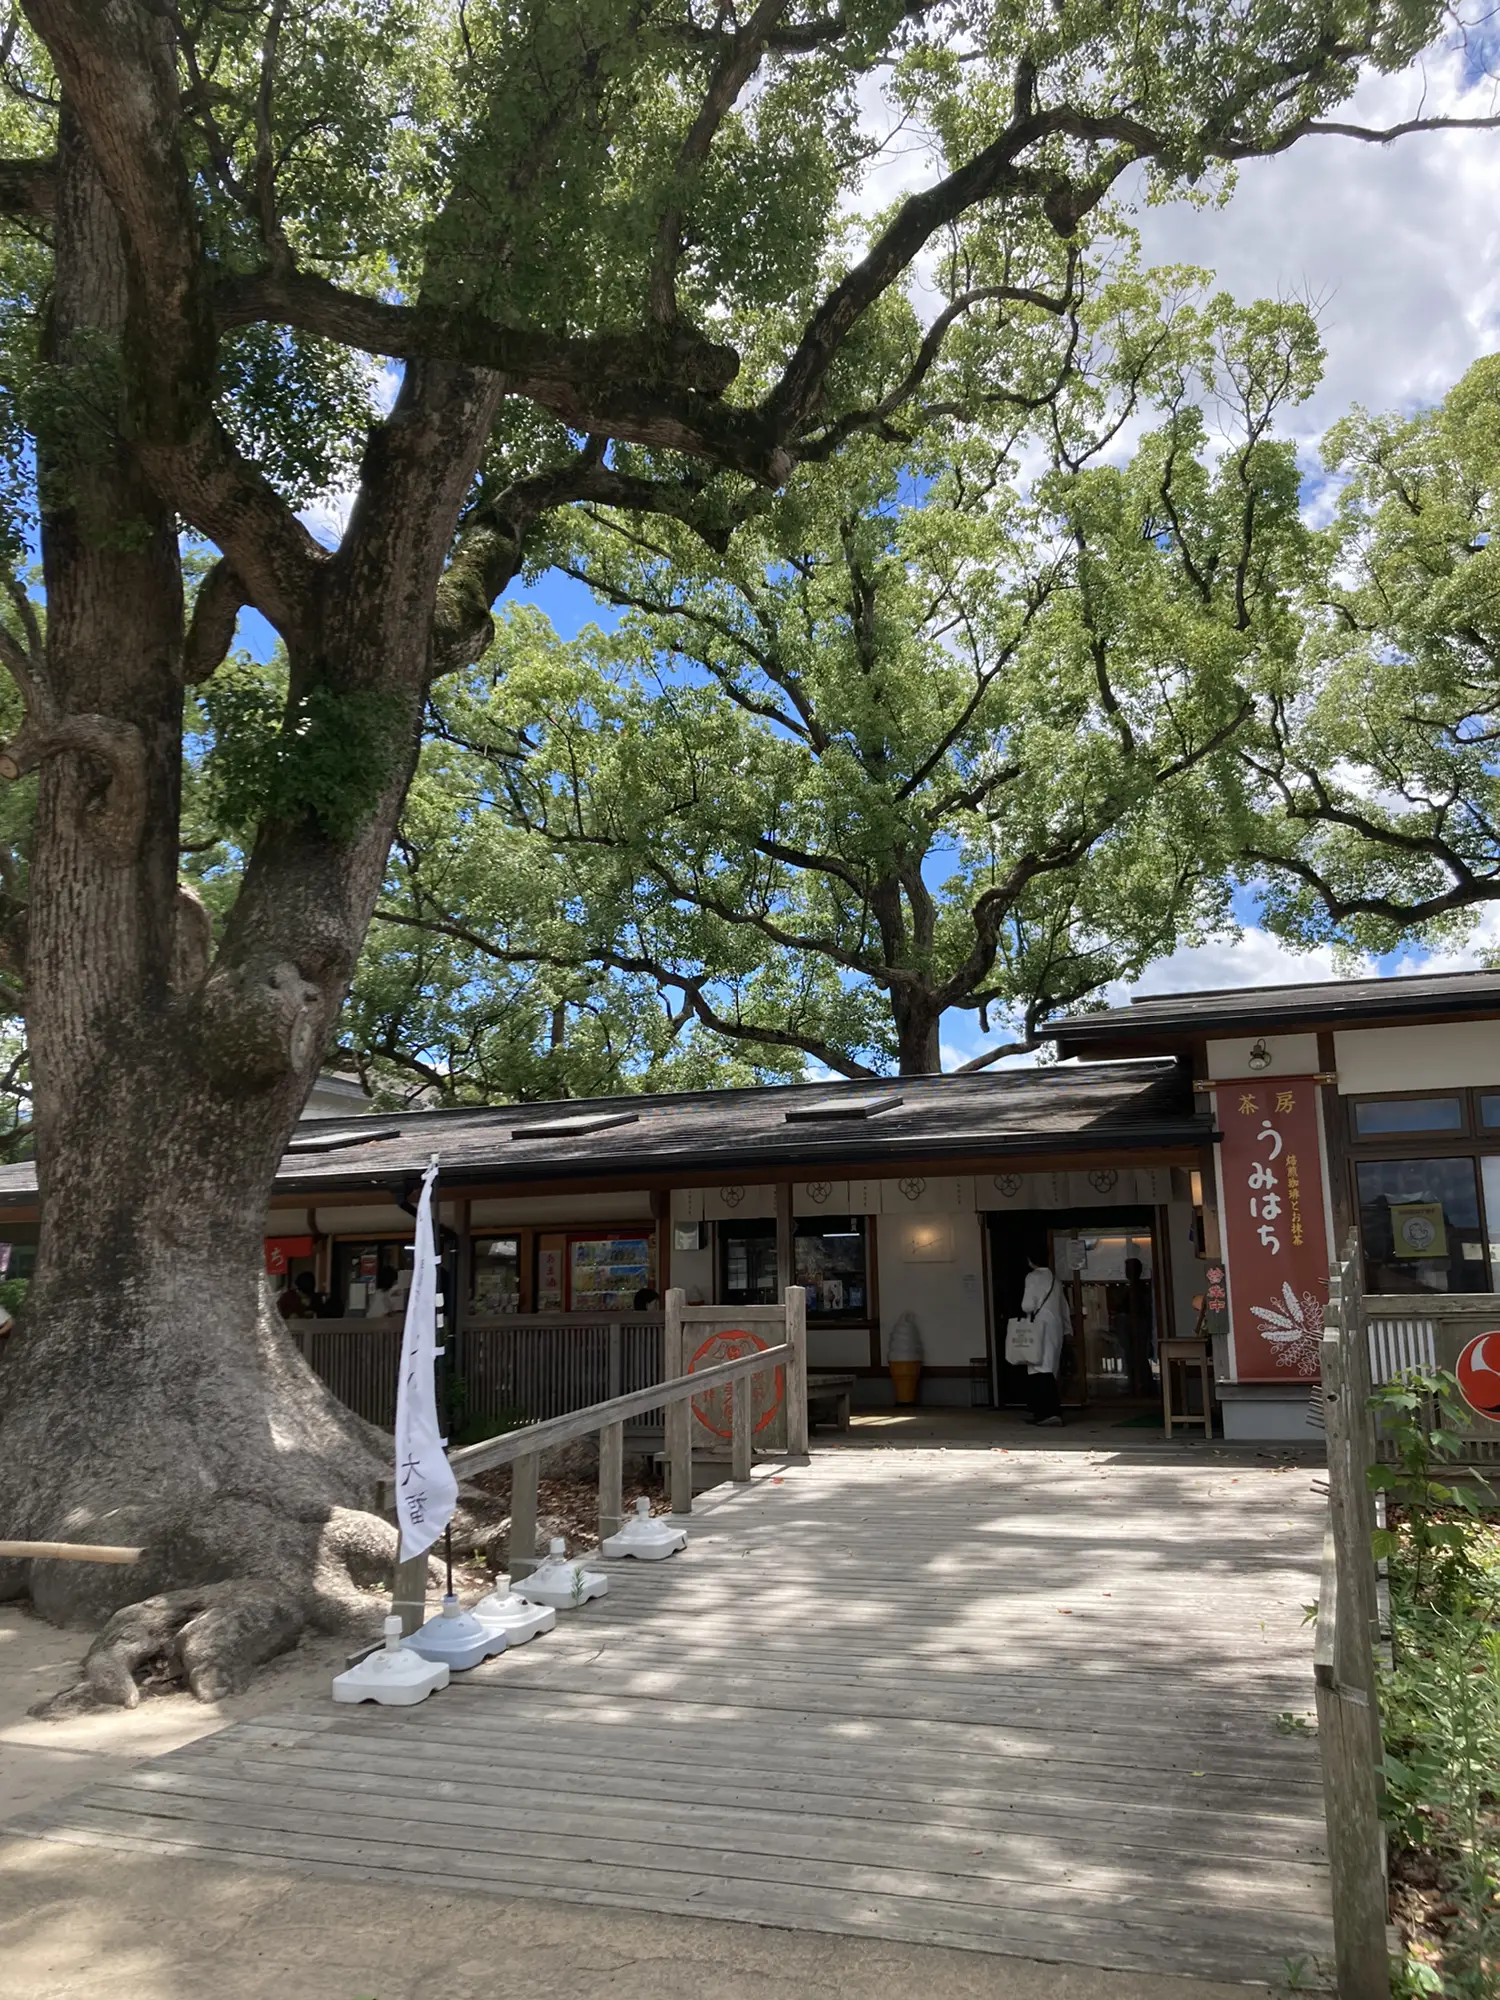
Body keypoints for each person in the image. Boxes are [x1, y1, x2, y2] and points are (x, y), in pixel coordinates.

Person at [1019, 1256, 1069, 1426]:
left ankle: (1046, 1412)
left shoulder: (1032, 1277)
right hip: (1056, 1328)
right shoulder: (1056, 1280)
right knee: (1049, 1368)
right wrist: (1068, 1330)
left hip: (1038, 1327)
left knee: (1037, 1368)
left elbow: (1027, 1306)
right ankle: (1045, 1411)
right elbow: (1064, 1308)